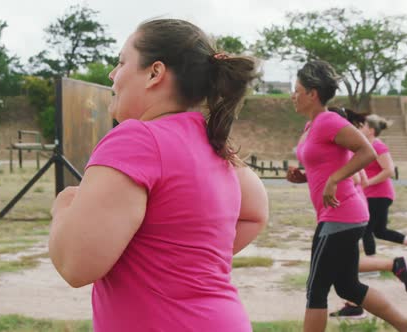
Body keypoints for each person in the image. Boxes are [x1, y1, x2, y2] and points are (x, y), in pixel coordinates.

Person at [48, 19, 268, 332]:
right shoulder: (212, 144)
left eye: (122, 62)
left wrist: (63, 207)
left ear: (155, 73)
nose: (112, 74)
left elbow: (75, 265)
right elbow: (256, 213)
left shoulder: (136, 139)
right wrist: (180, 263)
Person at [286, 60, 407, 332]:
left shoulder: (329, 121)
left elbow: (367, 152)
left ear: (312, 94)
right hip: (338, 215)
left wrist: (334, 179)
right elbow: (325, 163)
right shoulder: (312, 126)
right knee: (347, 285)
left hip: (342, 215)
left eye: (297, 90)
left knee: (316, 289)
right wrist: (304, 176)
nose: (293, 95)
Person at [325, 108, 407, 320]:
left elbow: (361, 178)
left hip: (350, 209)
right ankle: (355, 304)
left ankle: (393, 265)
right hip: (352, 207)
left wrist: (335, 180)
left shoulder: (355, 147)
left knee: (338, 262)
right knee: (344, 262)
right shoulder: (351, 147)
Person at [358, 114, 407, 265]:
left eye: (362, 126)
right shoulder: (365, 146)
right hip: (371, 194)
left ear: (370, 130)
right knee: (380, 231)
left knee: (366, 229)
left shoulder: (378, 146)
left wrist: (368, 182)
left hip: (379, 194)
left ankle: (372, 266)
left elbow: (389, 171)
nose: (359, 128)